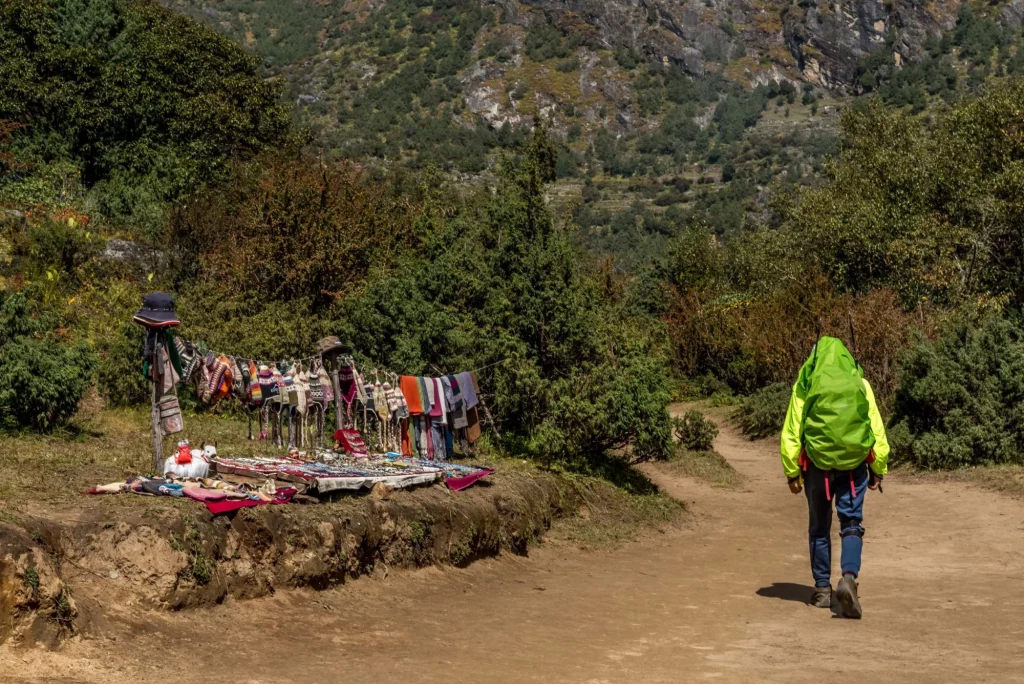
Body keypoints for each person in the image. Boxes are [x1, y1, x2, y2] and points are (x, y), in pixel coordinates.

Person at [780, 336, 889, 619]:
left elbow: (792, 429)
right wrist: (879, 467)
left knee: (819, 526)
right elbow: (874, 426)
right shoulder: (859, 383)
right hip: (854, 465)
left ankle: (822, 590)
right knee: (851, 522)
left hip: (817, 466)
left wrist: (792, 471)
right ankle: (849, 578)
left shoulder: (806, 384)